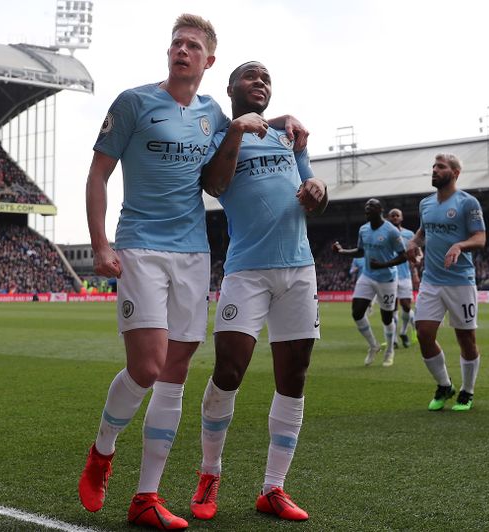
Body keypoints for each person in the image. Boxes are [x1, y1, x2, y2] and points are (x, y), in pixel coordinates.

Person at [79, 15, 307, 530]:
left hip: (194, 252)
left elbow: (224, 167)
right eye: (177, 43)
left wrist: (282, 118)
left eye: (193, 45)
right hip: (140, 246)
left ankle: (146, 497)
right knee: (148, 366)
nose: (182, 50)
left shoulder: (211, 115)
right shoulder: (133, 102)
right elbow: (98, 173)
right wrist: (100, 243)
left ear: (208, 61)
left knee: (176, 373)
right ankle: (103, 450)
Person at [189, 60, 327, 524]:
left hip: (299, 269)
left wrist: (316, 188)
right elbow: (215, 184)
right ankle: (210, 473)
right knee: (229, 369)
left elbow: (311, 190)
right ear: (231, 89)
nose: (261, 83)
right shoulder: (217, 135)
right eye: (251, 76)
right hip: (246, 271)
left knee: (295, 375)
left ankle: (274, 487)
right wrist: (237, 132)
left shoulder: (288, 136)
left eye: (266, 78)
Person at [405, 153, 486, 412]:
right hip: (431, 280)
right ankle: (444, 385)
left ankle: (468, 391)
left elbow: (480, 238)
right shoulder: (426, 204)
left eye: (441, 167)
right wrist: (413, 243)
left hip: (460, 281)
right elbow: (423, 231)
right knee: (424, 334)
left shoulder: (467, 203)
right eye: (433, 166)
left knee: (466, 340)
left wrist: (460, 245)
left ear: (455, 173)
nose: (435, 170)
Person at [333, 199, 407, 367]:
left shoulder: (391, 231)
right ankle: (373, 345)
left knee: (387, 318)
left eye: (370, 208)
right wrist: (342, 251)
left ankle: (390, 351)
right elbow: (360, 251)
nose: (366, 211)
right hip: (367, 276)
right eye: (365, 209)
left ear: (380, 210)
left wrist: (383, 265)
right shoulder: (363, 229)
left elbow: (403, 255)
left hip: (387, 278)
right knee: (357, 312)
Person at [388, 208, 422, 347]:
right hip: (389, 275)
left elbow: (418, 253)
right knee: (392, 308)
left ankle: (403, 331)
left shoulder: (409, 234)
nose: (395, 217)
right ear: (388, 218)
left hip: (405, 275)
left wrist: (416, 267)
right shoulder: (385, 234)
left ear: (401, 218)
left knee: (407, 307)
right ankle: (394, 338)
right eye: (392, 215)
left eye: (397, 215)